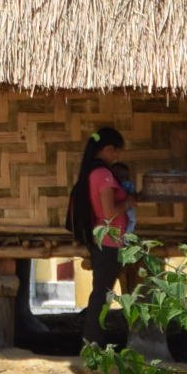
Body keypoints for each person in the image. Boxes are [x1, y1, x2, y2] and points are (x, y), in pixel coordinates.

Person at [64, 127, 138, 345]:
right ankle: (92, 341)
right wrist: (128, 203)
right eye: (116, 152)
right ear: (107, 149)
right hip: (109, 241)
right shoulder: (103, 175)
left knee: (102, 292)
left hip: (104, 240)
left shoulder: (92, 172)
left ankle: (93, 340)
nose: (117, 158)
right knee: (102, 294)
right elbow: (107, 212)